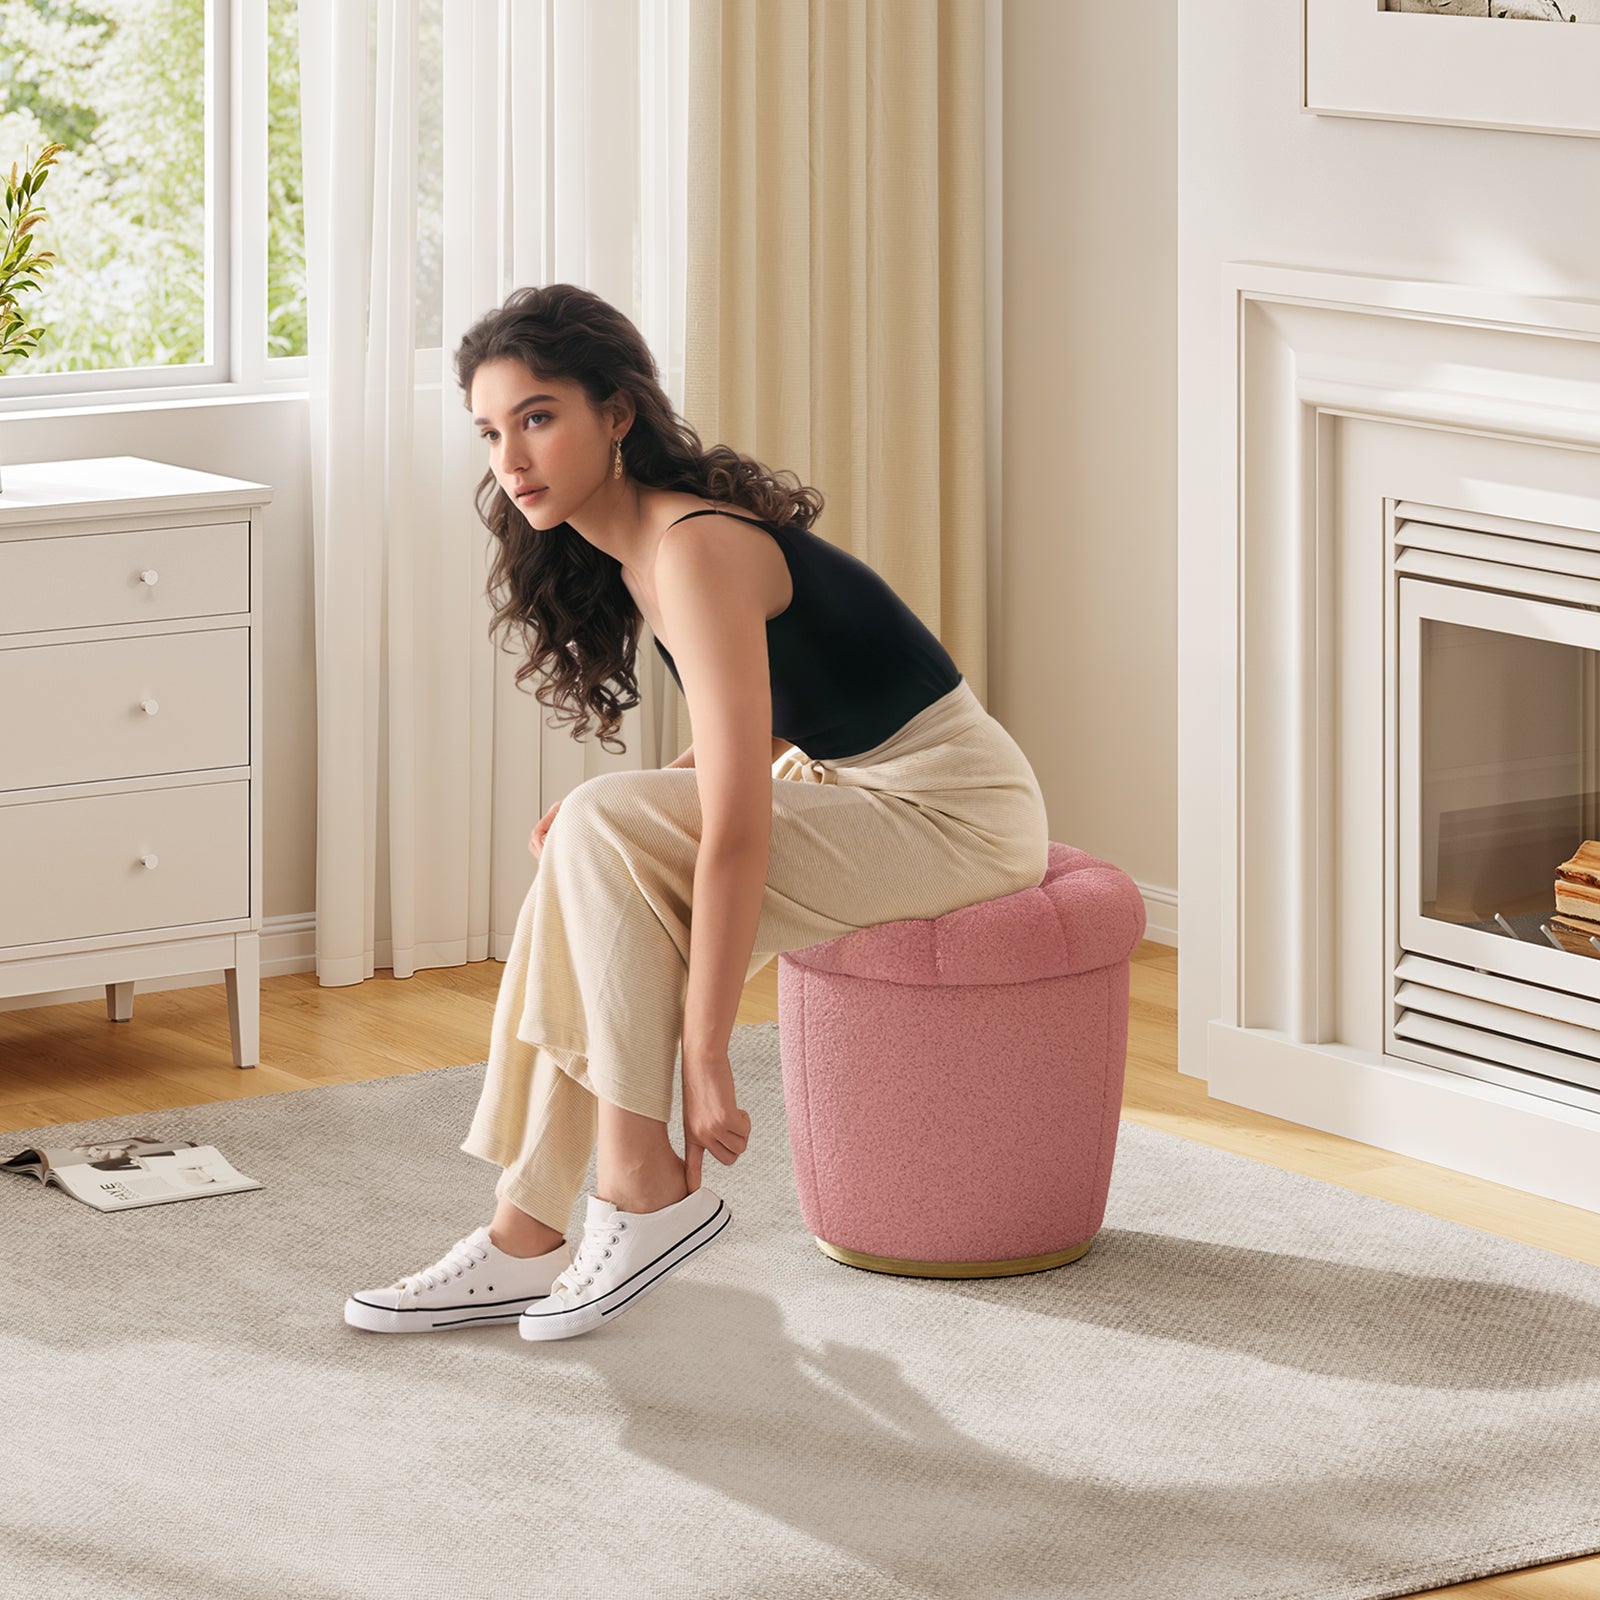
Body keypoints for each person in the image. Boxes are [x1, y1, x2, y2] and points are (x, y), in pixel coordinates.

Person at [343, 283, 1049, 1342]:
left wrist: (704, 1051)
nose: (511, 457)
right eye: (491, 431)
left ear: (616, 414)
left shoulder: (692, 546)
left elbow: (739, 829)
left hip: (956, 813)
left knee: (598, 824)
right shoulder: (634, 550)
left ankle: (642, 1190)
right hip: (852, 784)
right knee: (589, 844)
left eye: (538, 417)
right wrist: (640, 805)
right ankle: (525, 1227)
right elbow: (754, 733)